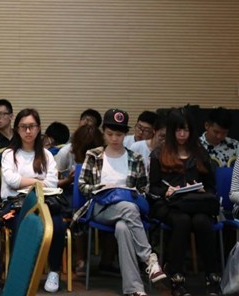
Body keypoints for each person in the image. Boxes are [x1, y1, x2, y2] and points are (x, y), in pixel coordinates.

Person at [78, 108, 165, 296]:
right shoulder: (94, 155)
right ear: (104, 132)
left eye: (119, 135)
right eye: (110, 134)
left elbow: (144, 189)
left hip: (127, 211)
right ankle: (149, 259)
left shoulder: (135, 157)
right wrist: (102, 187)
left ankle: (134, 289)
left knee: (123, 228)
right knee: (129, 208)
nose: (114, 139)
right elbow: (82, 186)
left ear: (125, 134)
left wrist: (129, 191)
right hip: (100, 207)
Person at [149, 108, 222, 296]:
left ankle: (213, 277)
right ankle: (176, 277)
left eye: (186, 130)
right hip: (169, 205)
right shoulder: (159, 154)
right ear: (172, 131)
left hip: (197, 203)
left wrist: (203, 190)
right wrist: (166, 191)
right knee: (182, 221)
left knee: (201, 221)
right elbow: (153, 188)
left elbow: (211, 187)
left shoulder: (200, 153)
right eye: (178, 130)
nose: (182, 135)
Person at [0, 108, 65, 293]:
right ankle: (20, 273)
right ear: (17, 129)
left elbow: (52, 182)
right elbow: (11, 180)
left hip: (45, 203)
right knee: (22, 224)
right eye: (23, 127)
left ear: (38, 128)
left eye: (32, 126)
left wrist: (26, 182)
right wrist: (37, 182)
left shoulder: (46, 155)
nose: (28, 131)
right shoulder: (9, 154)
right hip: (17, 204)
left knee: (58, 225)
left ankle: (54, 271)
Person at [55, 124, 103, 277]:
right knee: (78, 208)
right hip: (69, 191)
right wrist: (68, 180)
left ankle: (107, 261)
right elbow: (52, 181)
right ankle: (81, 259)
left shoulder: (104, 154)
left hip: (95, 192)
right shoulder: (66, 152)